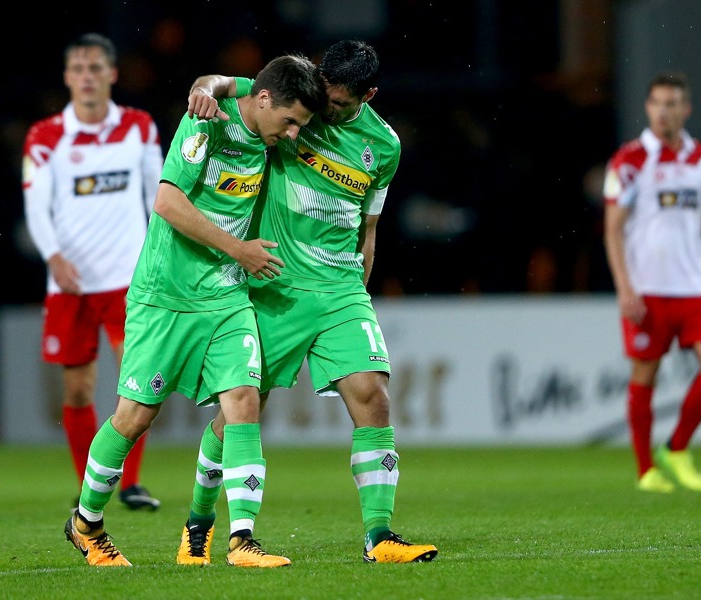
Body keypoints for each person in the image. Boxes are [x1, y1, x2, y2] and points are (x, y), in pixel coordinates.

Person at [63, 53, 327, 568]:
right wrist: (239, 249)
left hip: (225, 297)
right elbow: (166, 202)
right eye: (290, 121)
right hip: (166, 295)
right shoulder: (207, 121)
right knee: (135, 417)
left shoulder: (250, 93)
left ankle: (241, 539)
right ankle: (86, 522)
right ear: (265, 101)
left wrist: (208, 79)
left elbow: (231, 80)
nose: (293, 134)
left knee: (245, 401)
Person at [186, 39, 439, 564]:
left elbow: (369, 225)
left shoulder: (383, 147)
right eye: (325, 95)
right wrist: (201, 89)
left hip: (340, 288)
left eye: (342, 104)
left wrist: (360, 288)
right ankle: (199, 521)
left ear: (368, 95)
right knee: (238, 415)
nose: (326, 109)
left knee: (373, 396)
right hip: (276, 284)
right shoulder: (301, 102)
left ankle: (379, 535)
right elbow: (225, 86)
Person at [22, 33, 161, 511]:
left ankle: (130, 484)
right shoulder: (45, 136)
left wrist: (158, 260)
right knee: (78, 389)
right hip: (71, 282)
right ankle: (90, 485)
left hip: (128, 279)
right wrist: (53, 256)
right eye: (78, 68)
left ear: (112, 74)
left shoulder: (139, 127)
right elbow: (36, 205)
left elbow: (158, 197)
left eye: (95, 68)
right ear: (67, 77)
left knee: (137, 381)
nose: (86, 77)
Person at [603, 71, 701, 493]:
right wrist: (625, 287)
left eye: (672, 103)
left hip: (696, 285)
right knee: (646, 373)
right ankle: (646, 470)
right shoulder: (629, 160)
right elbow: (613, 228)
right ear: (648, 107)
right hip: (649, 289)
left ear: (686, 109)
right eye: (657, 102)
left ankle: (676, 448)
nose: (664, 111)